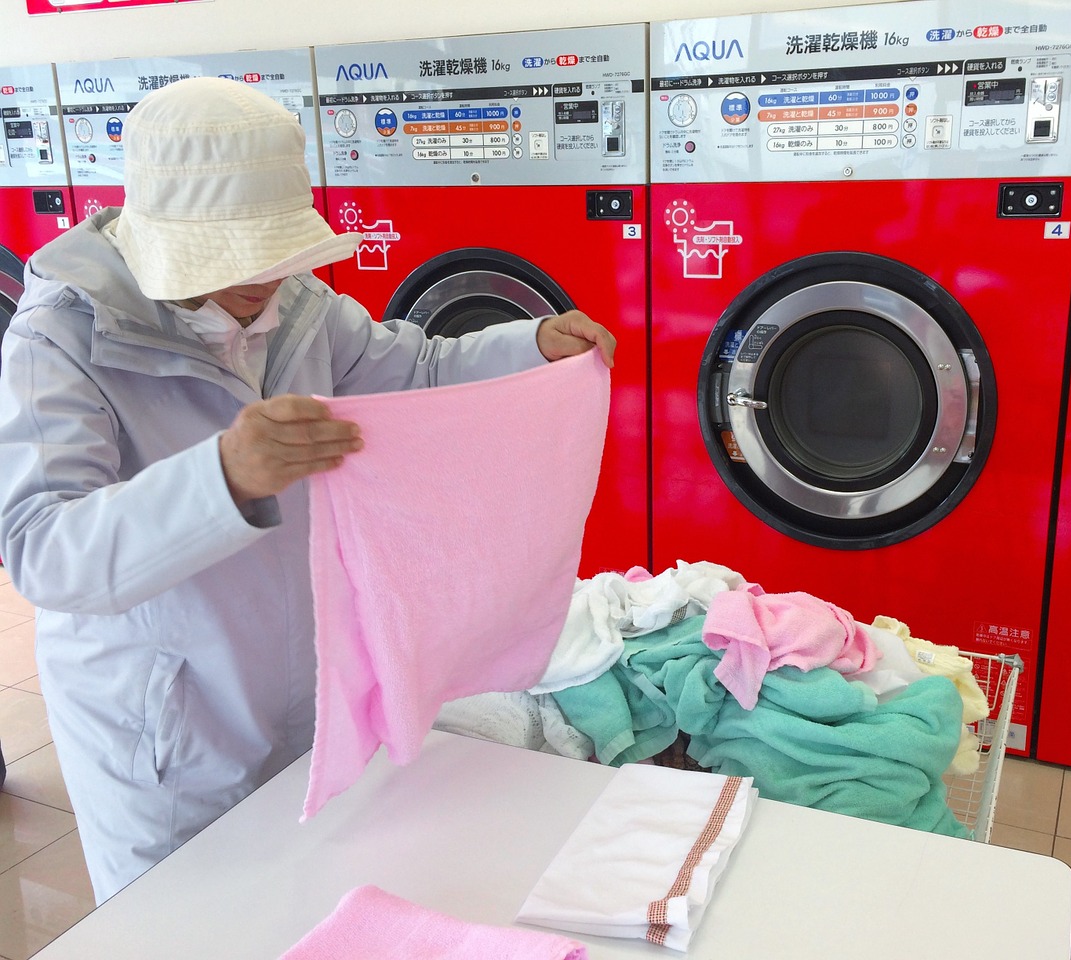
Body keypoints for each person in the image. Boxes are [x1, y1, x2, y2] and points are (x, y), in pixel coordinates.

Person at [0, 76, 615, 903]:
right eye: (240, 256)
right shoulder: (64, 340)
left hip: (304, 686)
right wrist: (221, 478)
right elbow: (44, 549)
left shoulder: (298, 307)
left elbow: (413, 368)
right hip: (164, 724)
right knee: (187, 924)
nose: (265, 278)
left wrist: (528, 345)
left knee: (306, 905)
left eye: (278, 249)